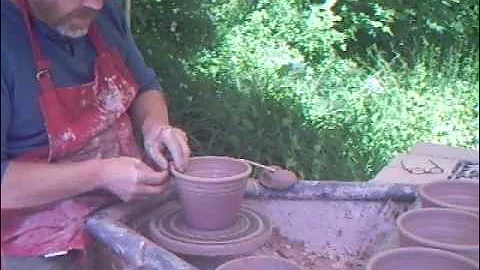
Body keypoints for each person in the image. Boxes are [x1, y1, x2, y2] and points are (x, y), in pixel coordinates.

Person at [0, 0, 191, 269]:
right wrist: (101, 175)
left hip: (124, 199)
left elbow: (145, 85)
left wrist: (155, 126)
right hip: (36, 230)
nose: (96, 5)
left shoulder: (104, 12)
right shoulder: (7, 40)